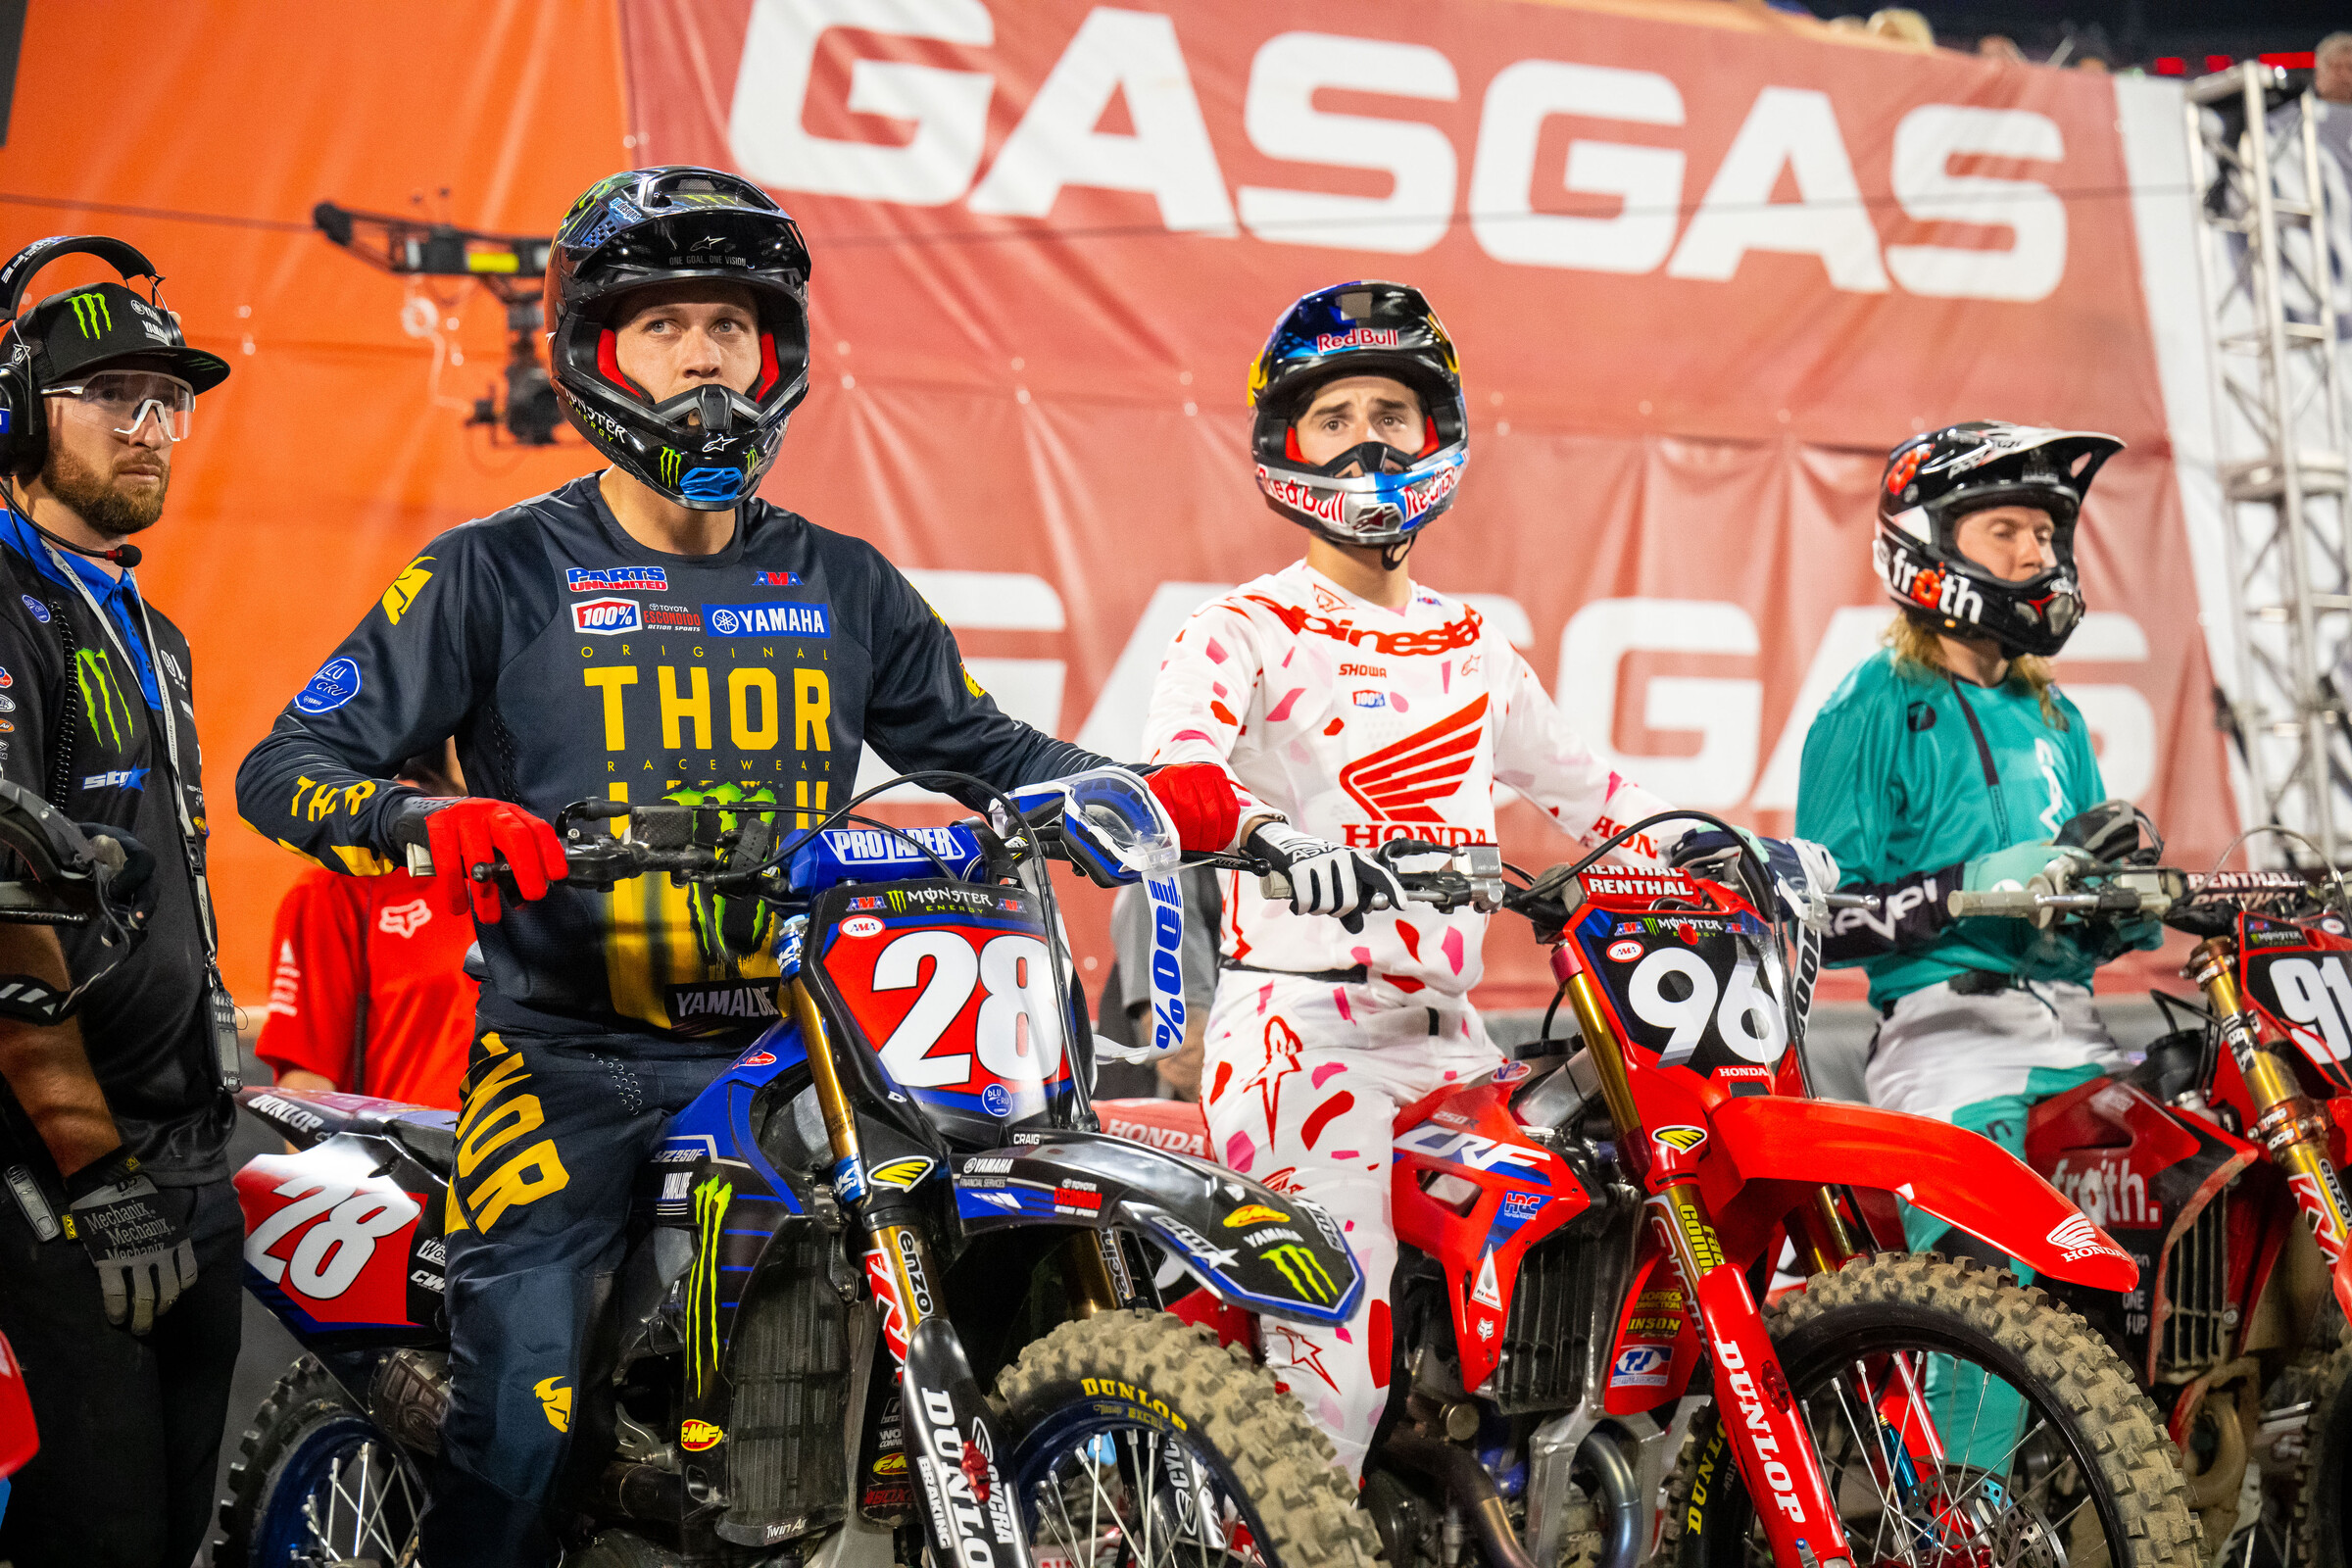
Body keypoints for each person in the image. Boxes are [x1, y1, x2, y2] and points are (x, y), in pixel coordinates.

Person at [234, 166, 1243, 1568]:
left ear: (780, 352)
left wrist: (1138, 790)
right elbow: (284, 768)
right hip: (569, 1059)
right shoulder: (492, 572)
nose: (703, 353)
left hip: (801, 1054)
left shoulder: (844, 581)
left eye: (729, 321)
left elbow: (979, 746)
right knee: (521, 1428)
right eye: (663, 323)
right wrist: (427, 821)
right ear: (595, 352)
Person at [1140, 279, 1831, 1481]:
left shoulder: (1473, 644)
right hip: (1299, 1035)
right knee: (1338, 1377)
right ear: (1286, 445)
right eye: (1337, 414)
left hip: (1459, 1039)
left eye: (1394, 412)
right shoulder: (1237, 627)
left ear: (1437, 432)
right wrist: (1270, 838)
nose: (1368, 438)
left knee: (1587, 1288)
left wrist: (1728, 850)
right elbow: (1179, 774)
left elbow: (1600, 801)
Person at [0, 239, 241, 1568]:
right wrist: (93, 1167)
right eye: (110, 395)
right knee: (97, 1538)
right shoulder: (5, 599)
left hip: (184, 1151)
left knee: (166, 1533)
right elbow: (1, 913)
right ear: (21, 409)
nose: (151, 426)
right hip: (62, 1170)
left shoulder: (151, 624)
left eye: (170, 399)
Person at [1795, 421, 2155, 1243]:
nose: (2038, 554)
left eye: (2044, 530)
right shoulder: (1871, 704)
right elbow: (1821, 920)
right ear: (1926, 544)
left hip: (2080, 1032)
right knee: (1989, 1290)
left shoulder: (2053, 711)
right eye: (2006, 530)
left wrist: (2113, 909)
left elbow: (2067, 902)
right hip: (1946, 1044)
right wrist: (1971, 889)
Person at [257, 744, 477, 1108]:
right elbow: (306, 1084)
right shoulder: (333, 891)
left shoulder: (542, 858)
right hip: (415, 1158)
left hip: (537, 1152)